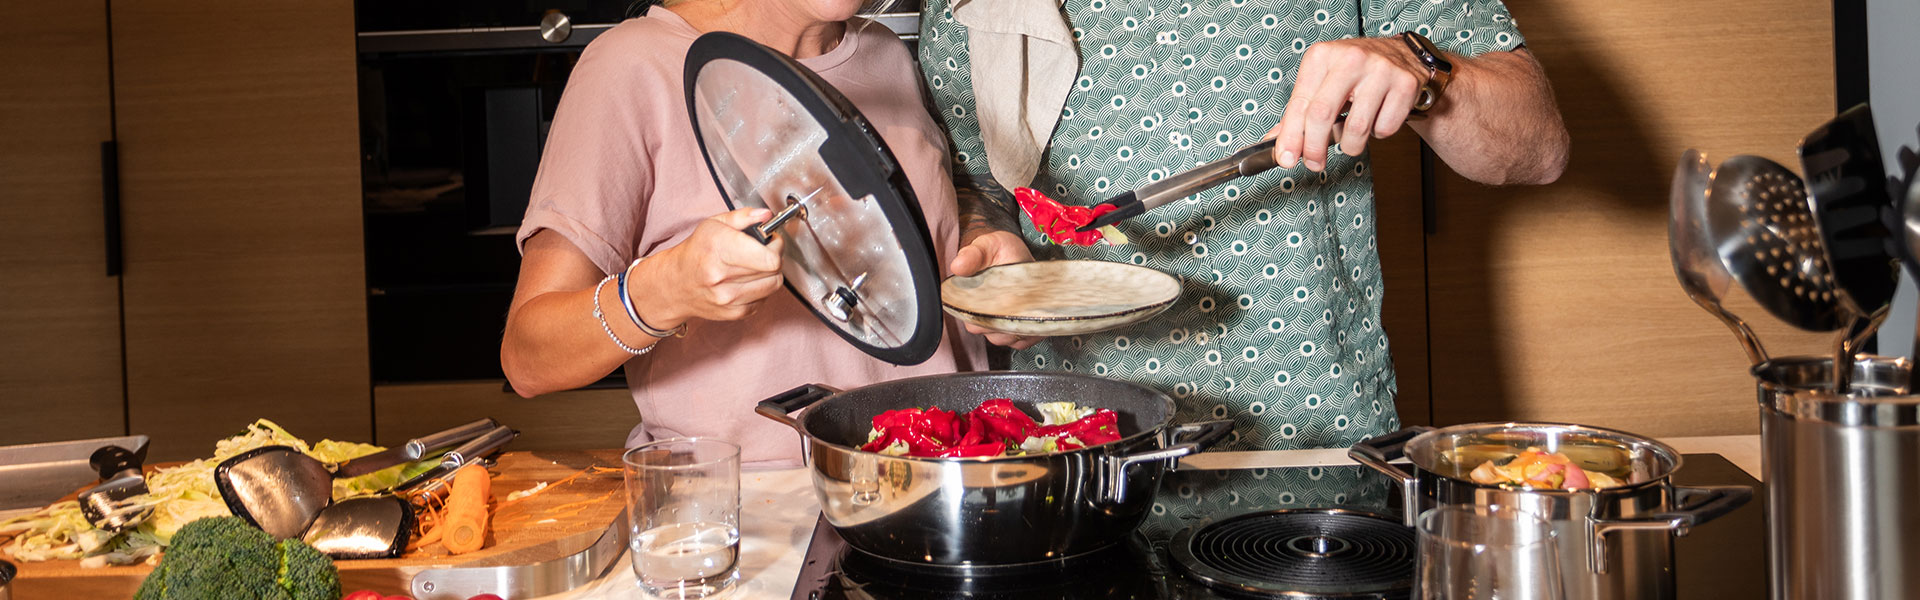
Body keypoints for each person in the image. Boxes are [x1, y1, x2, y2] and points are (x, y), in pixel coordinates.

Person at [919, 0, 1567, 503]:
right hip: (1086, 467)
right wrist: (988, 239)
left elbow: (1539, 143)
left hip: (1322, 458)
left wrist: (1418, 69)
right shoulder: (963, 7)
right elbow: (975, 181)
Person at [502, 0, 985, 467]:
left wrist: (984, 255)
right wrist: (664, 290)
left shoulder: (886, 54)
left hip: (944, 476)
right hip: (748, 509)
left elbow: (916, 240)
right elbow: (527, 357)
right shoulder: (632, 64)